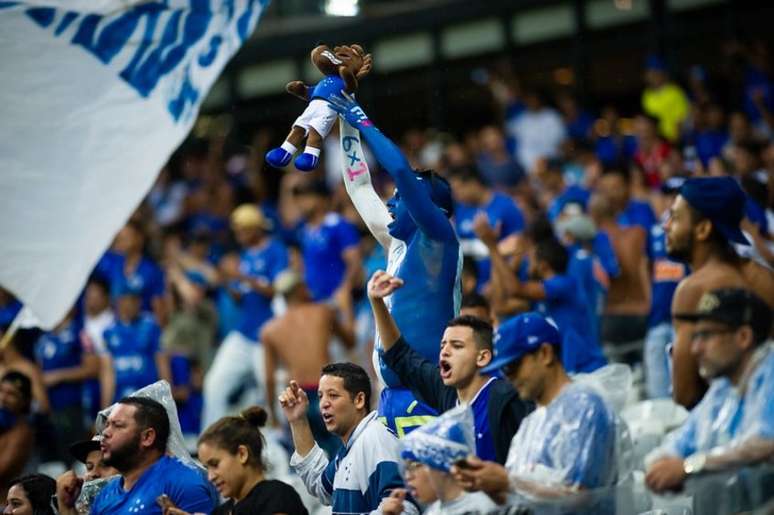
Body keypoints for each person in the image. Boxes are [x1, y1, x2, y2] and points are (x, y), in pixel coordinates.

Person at [328, 91, 461, 435]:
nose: (391, 199)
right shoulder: (396, 245)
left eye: (402, 197)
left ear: (433, 210)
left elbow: (400, 170)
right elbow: (358, 187)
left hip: (429, 395)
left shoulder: (439, 240)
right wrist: (344, 114)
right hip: (390, 397)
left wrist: (357, 114)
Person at [452, 313, 622, 509]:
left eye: (514, 366)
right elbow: (521, 502)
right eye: (505, 370)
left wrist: (508, 482)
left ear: (545, 353)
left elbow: (581, 497)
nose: (509, 377)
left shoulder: (585, 407)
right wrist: (487, 484)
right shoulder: (530, 424)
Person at [368, 270, 531, 462]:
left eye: (457, 346)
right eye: (443, 345)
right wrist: (376, 302)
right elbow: (401, 356)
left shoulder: (507, 398)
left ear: (482, 358)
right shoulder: (447, 391)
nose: (445, 352)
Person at [645, 288, 773, 493]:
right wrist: (661, 464)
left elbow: (764, 442)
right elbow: (682, 441)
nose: (696, 349)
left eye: (706, 335)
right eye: (696, 337)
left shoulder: (770, 374)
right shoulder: (722, 389)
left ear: (743, 336)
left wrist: (689, 468)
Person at [664, 176, 774, 408]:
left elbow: (684, 394)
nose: (666, 226)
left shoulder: (693, 289)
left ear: (703, 229)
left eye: (674, 217)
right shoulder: (764, 276)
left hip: (734, 428)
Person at [279, 363, 418, 514]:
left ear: (359, 400)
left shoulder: (376, 440)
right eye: (320, 396)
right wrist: (298, 420)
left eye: (333, 395)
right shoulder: (349, 448)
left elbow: (405, 509)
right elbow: (319, 485)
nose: (324, 403)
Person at [476, 217, 606, 373]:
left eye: (530, 259)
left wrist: (493, 247)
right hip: (571, 373)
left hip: (588, 370)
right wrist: (499, 256)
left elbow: (516, 289)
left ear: (543, 265)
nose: (527, 262)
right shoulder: (541, 298)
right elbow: (500, 305)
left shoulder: (565, 284)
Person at [202, 204, 288, 428]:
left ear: (256, 229)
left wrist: (240, 274)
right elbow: (242, 297)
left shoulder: (275, 251)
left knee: (272, 391)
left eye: (242, 230)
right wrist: (227, 278)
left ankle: (282, 443)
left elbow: (276, 291)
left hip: (267, 336)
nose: (238, 235)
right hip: (244, 333)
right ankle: (211, 440)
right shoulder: (245, 255)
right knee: (214, 384)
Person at [56, 397, 216, 515]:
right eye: (107, 425)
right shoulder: (107, 494)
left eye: (117, 426)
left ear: (147, 437)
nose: (105, 433)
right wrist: (67, 508)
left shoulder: (183, 483)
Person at [261, 270, 354, 456]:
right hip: (326, 393)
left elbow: (269, 379)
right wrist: (346, 305)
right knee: (344, 457)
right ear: (301, 289)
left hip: (297, 398)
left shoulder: (270, 329)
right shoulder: (323, 312)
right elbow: (350, 341)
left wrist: (273, 416)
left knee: (306, 462)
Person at [158, 406, 307, 515]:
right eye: (207, 468)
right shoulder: (221, 512)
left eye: (215, 464)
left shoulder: (277, 495)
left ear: (242, 454)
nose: (210, 476)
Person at [389, 406, 497, 515]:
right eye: (406, 469)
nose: (408, 477)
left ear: (443, 463)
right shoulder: (434, 511)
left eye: (414, 466)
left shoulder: (485, 508)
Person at [590, 193, 651, 363]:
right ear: (617, 211)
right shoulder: (639, 234)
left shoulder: (595, 242)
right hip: (642, 313)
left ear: (593, 215)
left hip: (613, 317)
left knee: (618, 383)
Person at [643, 178, 689, 398]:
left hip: (682, 314)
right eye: (669, 195)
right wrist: (647, 299)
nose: (672, 200)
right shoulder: (654, 230)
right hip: (658, 312)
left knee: (681, 383)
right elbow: (645, 265)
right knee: (657, 387)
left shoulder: (692, 229)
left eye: (677, 195)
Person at [34, 309, 98, 464]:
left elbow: (93, 368)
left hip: (74, 405)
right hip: (49, 408)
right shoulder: (42, 339)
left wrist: (59, 376)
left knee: (75, 455)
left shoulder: (79, 334)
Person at [448, 165, 525, 289]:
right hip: (475, 285)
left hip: (501, 283)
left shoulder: (506, 205)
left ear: (473, 183)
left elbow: (519, 248)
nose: (455, 196)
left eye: (458, 190)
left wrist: (498, 285)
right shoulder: (462, 210)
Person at [99, 282, 171, 407]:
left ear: (139, 302)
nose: (129, 304)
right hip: (121, 399)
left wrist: (167, 400)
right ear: (118, 302)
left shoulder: (151, 326)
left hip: (148, 399)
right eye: (125, 300)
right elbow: (107, 372)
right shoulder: (109, 332)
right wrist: (105, 408)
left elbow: (162, 362)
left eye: (133, 300)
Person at [291, 179, 361, 303]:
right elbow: (300, 265)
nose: (300, 202)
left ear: (321, 199)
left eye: (306, 197)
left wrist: (344, 290)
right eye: (299, 198)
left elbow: (354, 262)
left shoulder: (339, 225)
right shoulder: (302, 230)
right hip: (313, 300)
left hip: (338, 300)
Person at [95, 220, 167, 325]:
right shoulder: (112, 263)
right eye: (120, 237)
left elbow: (159, 309)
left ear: (139, 238)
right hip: (117, 330)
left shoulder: (151, 271)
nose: (121, 240)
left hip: (142, 331)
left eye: (127, 236)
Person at [0, 372, 34, 503]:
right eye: (1, 391)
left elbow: (2, 471)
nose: (3, 398)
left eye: (11, 394)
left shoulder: (22, 431)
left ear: (24, 402)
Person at [641, 55, 690, 143]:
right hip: (655, 143)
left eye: (654, 73)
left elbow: (683, 120)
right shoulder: (647, 95)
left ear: (661, 73)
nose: (650, 76)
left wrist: (676, 142)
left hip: (674, 141)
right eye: (649, 72)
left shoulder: (675, 92)